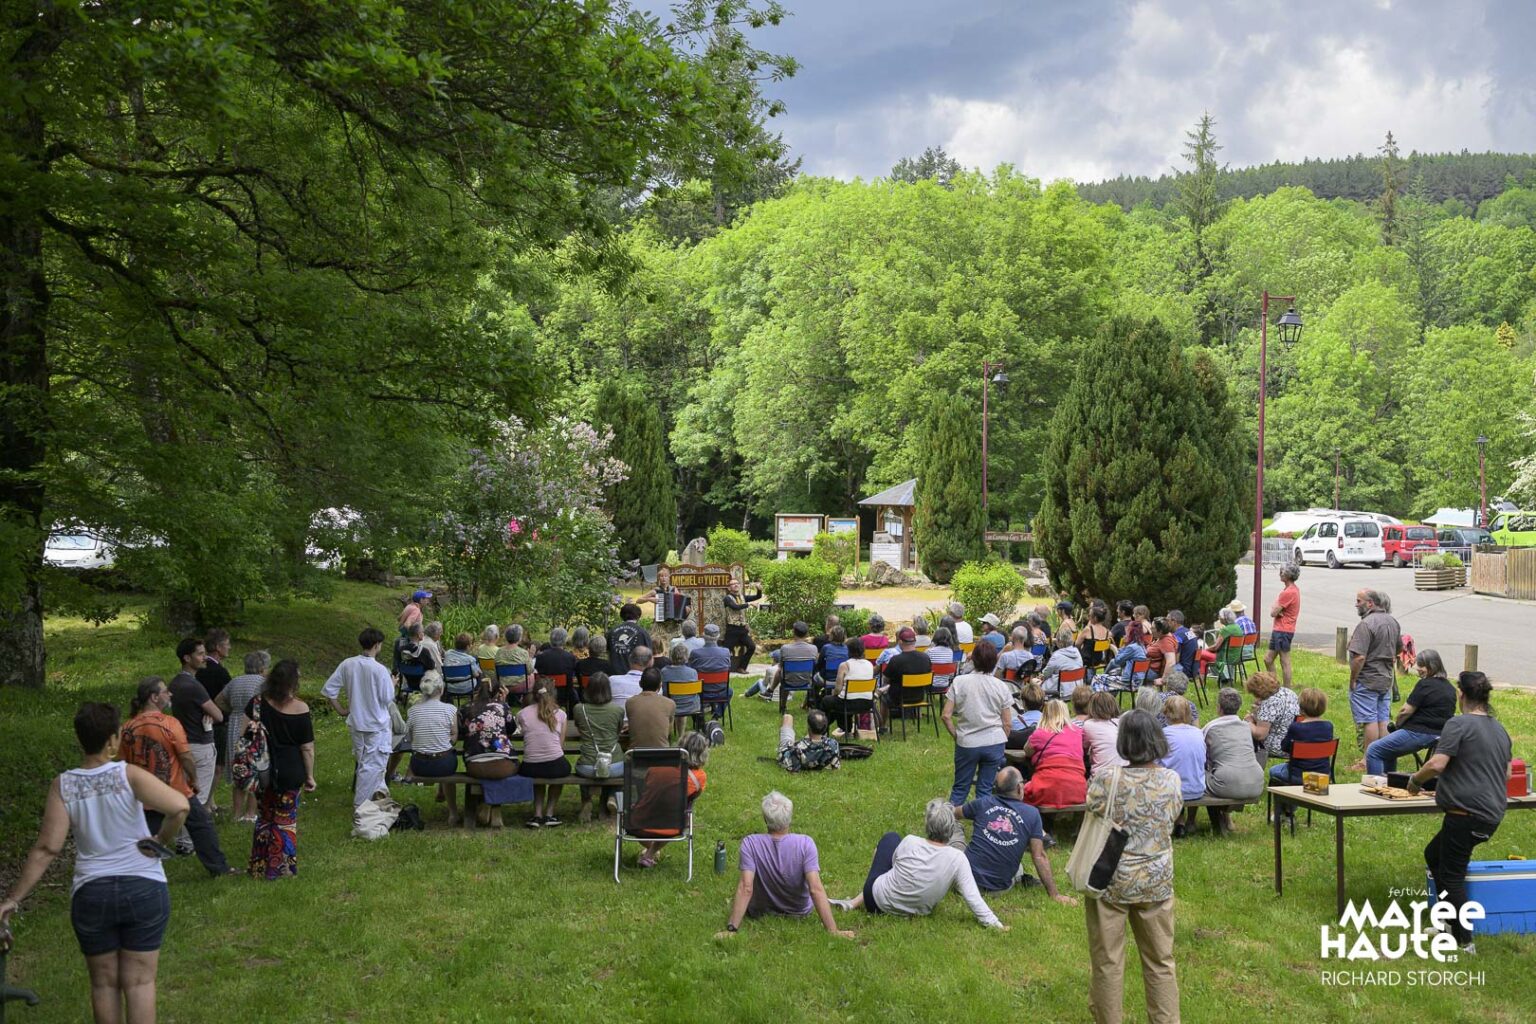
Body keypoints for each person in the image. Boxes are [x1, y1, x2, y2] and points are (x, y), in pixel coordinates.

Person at [1, 703, 190, 1024]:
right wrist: (159, 840)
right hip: (142, 887)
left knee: (104, 984)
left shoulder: (63, 785)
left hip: (92, 893)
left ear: (80, 739)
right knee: (140, 982)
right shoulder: (128, 775)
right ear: (113, 739)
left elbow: (47, 848)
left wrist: (12, 899)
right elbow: (180, 806)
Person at [1083, 709, 1184, 1024]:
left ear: (1123, 741)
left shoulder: (1107, 780)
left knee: (1107, 961)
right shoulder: (1171, 780)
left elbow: (1091, 807)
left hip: (1110, 879)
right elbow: (1173, 815)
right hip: (1156, 881)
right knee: (1161, 961)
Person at [1407, 671, 1513, 954]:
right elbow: (1506, 773)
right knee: (1434, 855)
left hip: (1466, 815)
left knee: (1452, 876)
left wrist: (1415, 781)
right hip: (1490, 813)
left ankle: (1465, 941)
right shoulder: (1499, 729)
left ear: (1460, 694)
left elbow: (1437, 764)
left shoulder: (1458, 724)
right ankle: (1446, 921)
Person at [828, 799, 1007, 929]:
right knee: (894, 850)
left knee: (891, 838)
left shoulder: (910, 841)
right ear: (951, 828)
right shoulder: (957, 858)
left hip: (875, 902)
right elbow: (973, 897)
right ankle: (852, 903)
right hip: (918, 911)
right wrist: (995, 924)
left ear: (927, 824)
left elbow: (893, 866)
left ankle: (853, 903)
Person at [119, 677, 235, 874]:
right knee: (201, 826)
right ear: (154, 697)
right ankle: (219, 868)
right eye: (165, 691)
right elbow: (185, 756)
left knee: (146, 832)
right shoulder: (170, 723)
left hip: (146, 792)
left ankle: (132, 869)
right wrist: (194, 779)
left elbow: (123, 763)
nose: (170, 694)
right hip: (176, 789)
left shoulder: (128, 727)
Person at [717, 792, 853, 939]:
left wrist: (732, 929)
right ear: (789, 818)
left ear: (765, 818)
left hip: (759, 911)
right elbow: (815, 889)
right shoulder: (805, 844)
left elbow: (746, 887)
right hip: (799, 912)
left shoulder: (750, 843)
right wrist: (833, 931)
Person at [956, 767, 1076, 903]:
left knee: (955, 829)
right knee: (1018, 867)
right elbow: (1039, 856)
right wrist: (1055, 895)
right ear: (1019, 787)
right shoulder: (1032, 814)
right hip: (998, 889)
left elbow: (954, 813)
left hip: (963, 884)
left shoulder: (982, 803)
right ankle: (1021, 878)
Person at [246, 659, 316, 880]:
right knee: (285, 819)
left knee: (265, 817)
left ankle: (259, 865)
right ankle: (282, 868)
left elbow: (245, 735)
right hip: (290, 770)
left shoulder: (257, 703)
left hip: (262, 769)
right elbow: (307, 748)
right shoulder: (301, 709)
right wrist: (310, 776)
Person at [322, 628, 395, 808]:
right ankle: (361, 807)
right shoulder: (380, 670)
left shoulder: (348, 664)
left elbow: (330, 689)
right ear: (377, 645)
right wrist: (392, 684)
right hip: (376, 724)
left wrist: (341, 710)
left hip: (357, 722)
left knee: (366, 764)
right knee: (371, 767)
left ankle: (379, 801)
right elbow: (387, 698)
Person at [1367, 649, 1458, 775]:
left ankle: (1375, 783)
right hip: (1441, 734)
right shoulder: (1450, 688)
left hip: (1419, 732)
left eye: (1421, 666)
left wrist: (1398, 724)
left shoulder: (1425, 684)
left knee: (1374, 750)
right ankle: (1391, 781)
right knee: (1388, 751)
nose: (1417, 668)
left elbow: (1405, 711)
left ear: (1431, 666)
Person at [943, 640, 1013, 804]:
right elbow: (1007, 723)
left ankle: (949, 819)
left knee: (960, 789)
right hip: (994, 741)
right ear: (994, 661)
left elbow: (946, 715)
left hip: (967, 742)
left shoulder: (959, 682)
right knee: (985, 790)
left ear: (973, 659)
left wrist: (957, 736)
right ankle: (983, 819)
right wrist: (1001, 740)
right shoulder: (1001, 686)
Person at [634, 731, 710, 869]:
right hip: (671, 825)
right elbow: (691, 799)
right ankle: (650, 853)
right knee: (676, 816)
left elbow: (647, 787)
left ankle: (649, 852)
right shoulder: (699, 777)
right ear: (702, 754)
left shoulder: (657, 766)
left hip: (638, 822)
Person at [1347, 588, 1403, 771]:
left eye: (1359, 601)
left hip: (1367, 679)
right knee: (1383, 719)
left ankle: (1367, 760)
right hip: (1386, 679)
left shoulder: (1366, 624)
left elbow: (1359, 657)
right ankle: (1384, 757)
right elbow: (1399, 648)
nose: (1356, 604)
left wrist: (1353, 679)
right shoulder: (1393, 622)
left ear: (1370, 603)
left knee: (1369, 720)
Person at [169, 637, 223, 815]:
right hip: (200, 743)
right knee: (198, 798)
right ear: (187, 658)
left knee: (182, 792)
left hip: (182, 743)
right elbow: (218, 715)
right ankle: (191, 832)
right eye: (200, 654)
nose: (204, 657)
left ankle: (180, 829)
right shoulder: (194, 686)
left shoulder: (175, 683)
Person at [1201, 688, 1266, 833]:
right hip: (1256, 782)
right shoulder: (1247, 727)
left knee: (1200, 775)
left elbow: (1200, 755)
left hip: (1226, 783)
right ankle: (1227, 819)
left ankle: (1211, 824)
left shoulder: (1210, 727)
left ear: (1219, 708)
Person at [216, 649, 269, 823]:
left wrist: (233, 710)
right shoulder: (264, 683)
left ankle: (236, 814)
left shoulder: (235, 681)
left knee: (239, 772)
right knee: (255, 772)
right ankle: (250, 814)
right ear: (262, 667)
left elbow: (218, 700)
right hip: (254, 726)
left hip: (235, 725)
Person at [461, 678, 517, 827]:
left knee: (489, 766)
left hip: (474, 766)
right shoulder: (502, 706)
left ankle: (486, 803)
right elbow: (511, 728)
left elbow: (462, 731)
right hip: (503, 766)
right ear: (499, 692)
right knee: (506, 765)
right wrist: (504, 701)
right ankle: (495, 808)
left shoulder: (466, 708)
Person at [405, 672, 461, 823]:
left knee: (439, 752)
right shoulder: (450, 709)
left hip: (419, 765)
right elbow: (454, 736)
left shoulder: (413, 711)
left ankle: (440, 792)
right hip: (444, 764)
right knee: (447, 753)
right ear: (441, 689)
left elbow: (410, 739)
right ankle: (453, 812)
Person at [516, 684, 571, 828]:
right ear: (554, 694)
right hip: (555, 764)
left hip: (530, 766)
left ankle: (537, 814)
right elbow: (560, 745)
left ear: (533, 695)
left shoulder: (522, 714)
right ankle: (550, 813)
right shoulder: (561, 714)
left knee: (538, 772)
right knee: (560, 770)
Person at [1022, 700, 1088, 811]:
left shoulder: (1039, 733)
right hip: (1077, 789)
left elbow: (1027, 751)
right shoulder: (1078, 732)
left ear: (1045, 714)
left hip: (1045, 789)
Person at [1270, 687, 1334, 793]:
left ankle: (1286, 803)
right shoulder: (1328, 726)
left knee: (1274, 770)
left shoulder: (1296, 727)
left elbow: (1284, 747)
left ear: (1301, 708)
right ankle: (1308, 792)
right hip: (1322, 775)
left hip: (1298, 775)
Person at [1159, 696, 1206, 837]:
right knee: (1191, 770)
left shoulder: (1164, 734)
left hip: (1173, 790)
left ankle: (1179, 821)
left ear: (1166, 713)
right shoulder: (1198, 733)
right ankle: (1190, 820)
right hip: (1197, 788)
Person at [573, 672, 626, 785]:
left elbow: (580, 729)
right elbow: (618, 731)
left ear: (588, 689)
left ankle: (586, 795)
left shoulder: (579, 709)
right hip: (615, 764)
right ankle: (612, 794)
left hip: (588, 765)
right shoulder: (618, 710)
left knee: (584, 770)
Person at [877, 627, 932, 730]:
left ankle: (882, 726)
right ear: (914, 641)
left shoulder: (896, 660)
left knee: (884, 697)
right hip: (920, 696)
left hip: (898, 698)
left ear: (900, 642)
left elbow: (885, 679)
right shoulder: (925, 658)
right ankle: (917, 714)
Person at [819, 636, 875, 734]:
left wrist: (834, 694)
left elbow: (838, 689)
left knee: (827, 701)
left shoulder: (844, 665)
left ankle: (821, 729)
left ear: (848, 650)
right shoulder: (870, 664)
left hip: (848, 703)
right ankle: (845, 728)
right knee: (839, 700)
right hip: (867, 703)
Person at [197, 628, 233, 777]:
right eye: (227, 644)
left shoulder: (198, 668)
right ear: (218, 647)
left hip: (196, 720)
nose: (229, 647)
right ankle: (208, 793)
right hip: (217, 722)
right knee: (217, 767)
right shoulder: (219, 672)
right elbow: (229, 696)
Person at [755, 620, 818, 704]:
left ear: (793, 632)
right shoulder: (814, 648)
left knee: (780, 671)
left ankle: (771, 691)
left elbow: (780, 667)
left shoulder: (785, 648)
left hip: (788, 680)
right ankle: (810, 703)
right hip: (807, 680)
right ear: (807, 634)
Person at [1245, 671, 1298, 768]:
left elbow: (1260, 735)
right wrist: (1258, 714)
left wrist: (1248, 721)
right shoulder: (1289, 693)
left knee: (1244, 734)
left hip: (1278, 746)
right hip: (1293, 743)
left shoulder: (1269, 703)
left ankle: (1254, 771)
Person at [1264, 564, 1301, 687]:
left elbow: (1273, 612)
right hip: (1280, 630)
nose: (1280, 574)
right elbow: (1276, 610)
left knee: (1284, 661)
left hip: (1283, 630)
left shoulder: (1288, 592)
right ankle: (1275, 686)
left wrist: (1277, 609)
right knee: (1268, 659)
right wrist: (1277, 609)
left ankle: (1287, 690)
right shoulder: (1292, 590)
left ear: (1288, 575)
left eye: (1282, 572)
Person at [688, 625, 734, 717]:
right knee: (729, 691)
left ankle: (700, 715)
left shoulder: (695, 653)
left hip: (700, 692)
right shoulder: (726, 652)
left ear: (703, 636)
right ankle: (717, 715)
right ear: (718, 636)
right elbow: (728, 667)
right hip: (721, 691)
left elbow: (690, 670)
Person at [626, 667, 676, 749]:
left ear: (640, 684)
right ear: (660, 685)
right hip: (662, 752)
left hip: (636, 753)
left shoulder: (630, 702)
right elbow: (668, 731)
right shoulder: (670, 703)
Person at [776, 709, 841, 772]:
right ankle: (815, 738)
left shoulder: (798, 748)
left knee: (788, 717)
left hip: (787, 753)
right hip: (813, 753)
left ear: (809, 727)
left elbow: (793, 768)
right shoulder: (833, 744)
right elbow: (835, 766)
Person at [661, 639, 704, 731]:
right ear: (686, 657)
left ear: (672, 656)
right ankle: (681, 734)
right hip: (691, 706)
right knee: (682, 698)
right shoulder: (693, 672)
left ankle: (673, 733)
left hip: (672, 705)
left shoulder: (664, 672)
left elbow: (664, 692)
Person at [722, 577, 762, 671]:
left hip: (742, 629)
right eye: (733, 584)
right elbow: (735, 607)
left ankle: (741, 667)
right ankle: (721, 670)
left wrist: (759, 590)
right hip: (732, 629)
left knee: (752, 647)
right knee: (725, 651)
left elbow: (757, 597)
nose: (736, 585)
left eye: (737, 583)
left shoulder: (742, 597)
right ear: (729, 588)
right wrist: (749, 604)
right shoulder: (727, 598)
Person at [534, 627, 580, 706]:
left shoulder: (540, 657)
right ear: (564, 640)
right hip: (564, 694)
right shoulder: (570, 657)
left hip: (544, 693)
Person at [1084, 691, 1127, 774]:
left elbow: (1083, 748)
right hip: (1124, 774)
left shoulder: (1089, 724)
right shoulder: (1122, 722)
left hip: (1102, 775)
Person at [1040, 629, 1085, 698]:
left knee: (1037, 685)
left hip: (1061, 690)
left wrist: (1041, 676)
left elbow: (1046, 673)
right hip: (1076, 688)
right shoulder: (1077, 652)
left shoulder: (1056, 656)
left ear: (1059, 642)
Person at [607, 603, 650, 675]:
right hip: (635, 675)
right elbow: (649, 655)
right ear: (638, 616)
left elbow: (608, 651)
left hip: (614, 674)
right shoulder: (642, 633)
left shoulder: (612, 632)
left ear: (621, 616)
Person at [1203, 608, 1244, 684]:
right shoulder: (1238, 627)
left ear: (1224, 618)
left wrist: (1205, 650)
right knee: (1203, 658)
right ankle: (1223, 677)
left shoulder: (1225, 630)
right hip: (1236, 657)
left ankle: (1201, 679)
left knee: (1200, 654)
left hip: (1224, 657)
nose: (1219, 618)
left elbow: (1215, 647)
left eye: (1219, 616)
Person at [813, 625, 851, 703]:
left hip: (827, 679)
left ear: (831, 636)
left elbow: (820, 663)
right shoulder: (847, 648)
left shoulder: (826, 647)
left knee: (815, 678)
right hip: (843, 679)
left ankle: (815, 701)